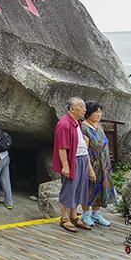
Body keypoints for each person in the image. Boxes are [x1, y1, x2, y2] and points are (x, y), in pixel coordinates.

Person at [53, 97, 96, 233]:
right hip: (73, 161)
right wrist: (65, 165)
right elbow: (62, 147)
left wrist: (89, 168)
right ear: (72, 109)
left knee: (78, 189)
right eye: (81, 106)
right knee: (69, 189)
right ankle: (64, 218)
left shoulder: (77, 123)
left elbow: (83, 146)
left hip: (82, 159)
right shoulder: (64, 124)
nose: (85, 109)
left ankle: (73, 216)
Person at [80, 102, 117, 227]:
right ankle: (86, 214)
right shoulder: (84, 128)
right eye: (96, 112)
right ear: (89, 113)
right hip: (92, 163)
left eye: (100, 112)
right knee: (89, 188)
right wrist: (89, 169)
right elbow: (84, 150)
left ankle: (96, 213)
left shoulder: (98, 125)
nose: (99, 114)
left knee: (102, 188)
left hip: (104, 164)